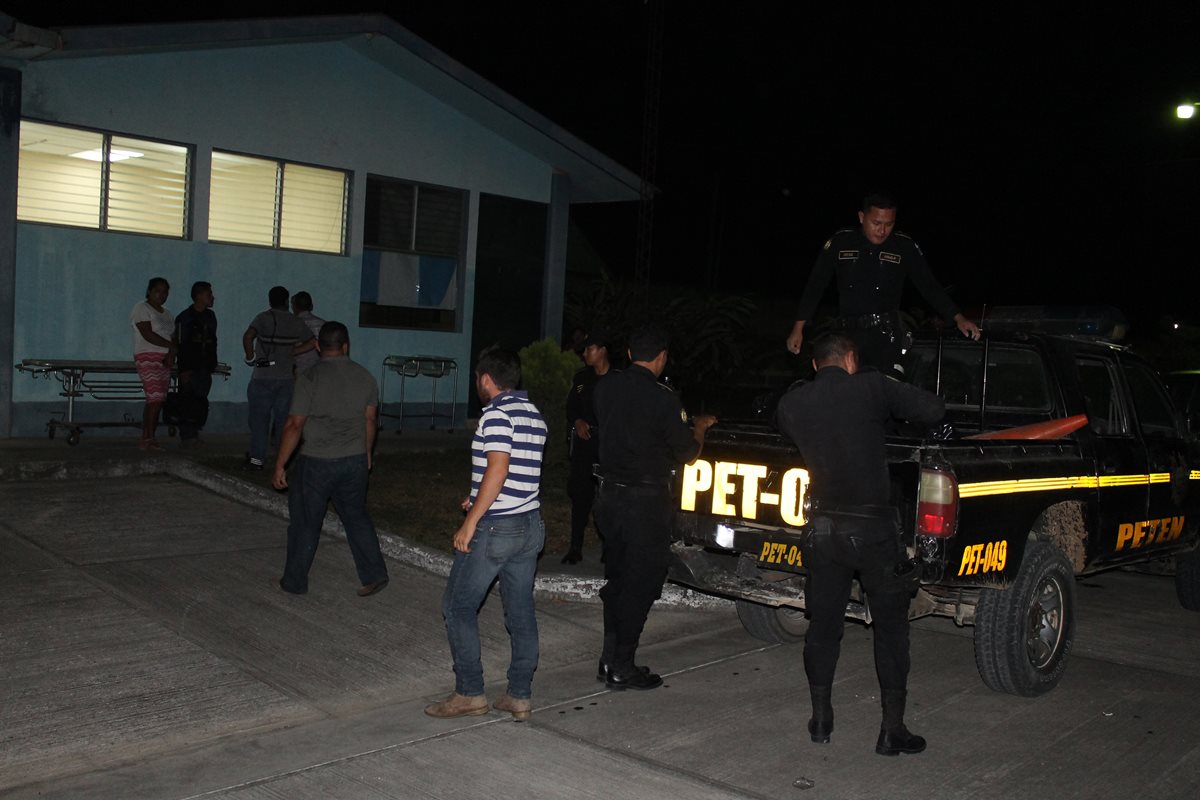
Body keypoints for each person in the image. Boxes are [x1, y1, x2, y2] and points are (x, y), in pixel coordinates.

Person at [774, 332, 945, 757]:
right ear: (850, 359)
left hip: (823, 530)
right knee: (890, 631)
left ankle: (821, 720)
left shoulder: (792, 402)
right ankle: (892, 730)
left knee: (824, 627)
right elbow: (932, 410)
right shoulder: (870, 385)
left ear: (814, 365)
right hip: (872, 531)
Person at [426, 347, 547, 721]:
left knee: (457, 606)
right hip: (530, 524)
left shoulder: (495, 414)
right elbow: (517, 472)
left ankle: (469, 692)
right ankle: (519, 695)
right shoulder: (534, 414)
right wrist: (476, 496)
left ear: (486, 380)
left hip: (497, 527)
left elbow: (498, 467)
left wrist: (471, 521)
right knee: (521, 611)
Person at [592, 326, 716, 690]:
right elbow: (687, 453)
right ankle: (622, 666)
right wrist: (700, 429)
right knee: (642, 584)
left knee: (616, 580)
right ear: (661, 358)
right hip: (643, 505)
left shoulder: (605, 388)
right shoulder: (664, 399)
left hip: (609, 498)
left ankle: (609, 658)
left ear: (629, 354)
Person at [785, 192, 981, 378]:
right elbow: (815, 285)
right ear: (862, 217)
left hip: (886, 336)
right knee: (850, 395)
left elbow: (929, 286)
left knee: (885, 394)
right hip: (848, 335)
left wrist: (959, 318)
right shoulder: (840, 242)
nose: (882, 230)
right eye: (876, 223)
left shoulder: (904, 246)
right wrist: (798, 328)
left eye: (889, 224)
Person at [272, 321, 390, 597]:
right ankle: (374, 574)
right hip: (354, 460)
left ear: (317, 346)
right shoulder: (365, 377)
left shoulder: (310, 378)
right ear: (346, 345)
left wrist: (280, 463)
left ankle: (294, 582)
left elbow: (294, 424)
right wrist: (367, 452)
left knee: (305, 522)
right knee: (356, 515)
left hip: (317, 461)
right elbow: (370, 419)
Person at [242, 286, 316, 470]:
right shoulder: (294, 321)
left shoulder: (263, 318)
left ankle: (257, 460)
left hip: (263, 375)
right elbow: (313, 341)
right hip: (286, 378)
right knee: (284, 422)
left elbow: (248, 336)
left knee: (259, 421)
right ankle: (282, 460)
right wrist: (292, 352)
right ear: (286, 301)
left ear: (270, 300)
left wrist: (250, 357)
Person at [562, 329, 612, 564]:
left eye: (589, 349)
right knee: (581, 495)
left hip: (609, 446)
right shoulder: (582, 379)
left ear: (602, 351)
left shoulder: (618, 380)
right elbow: (571, 408)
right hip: (585, 443)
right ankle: (575, 547)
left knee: (609, 497)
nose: (585, 354)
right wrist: (578, 420)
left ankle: (608, 547)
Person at [131, 277, 177, 451]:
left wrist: (172, 352)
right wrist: (170, 346)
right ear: (150, 291)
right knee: (154, 397)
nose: (162, 295)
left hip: (164, 359)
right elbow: (147, 334)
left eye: (165, 291)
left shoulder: (167, 313)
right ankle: (146, 437)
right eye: (158, 291)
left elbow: (173, 336)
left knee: (159, 399)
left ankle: (151, 436)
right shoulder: (141, 308)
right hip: (147, 356)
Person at [174, 281, 218, 447]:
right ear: (199, 296)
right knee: (187, 400)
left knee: (200, 401)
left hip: (205, 366)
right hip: (190, 367)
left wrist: (212, 363)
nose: (212, 297)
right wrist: (184, 369)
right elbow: (181, 345)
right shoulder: (185, 318)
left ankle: (195, 432)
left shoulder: (210, 316)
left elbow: (213, 340)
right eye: (209, 294)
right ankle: (187, 435)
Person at [291, 291, 325, 374]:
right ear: (311, 306)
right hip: (319, 372)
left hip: (298, 373)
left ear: (294, 307)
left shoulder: (290, 325)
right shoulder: (324, 325)